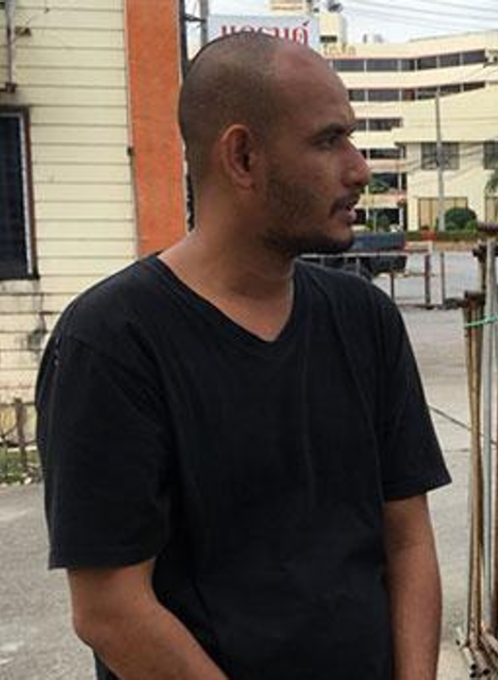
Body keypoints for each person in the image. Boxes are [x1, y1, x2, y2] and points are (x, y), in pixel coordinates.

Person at [36, 33, 450, 680]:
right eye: (327, 140)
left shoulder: (365, 319)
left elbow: (408, 538)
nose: (359, 168)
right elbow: (110, 610)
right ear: (243, 157)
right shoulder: (111, 342)